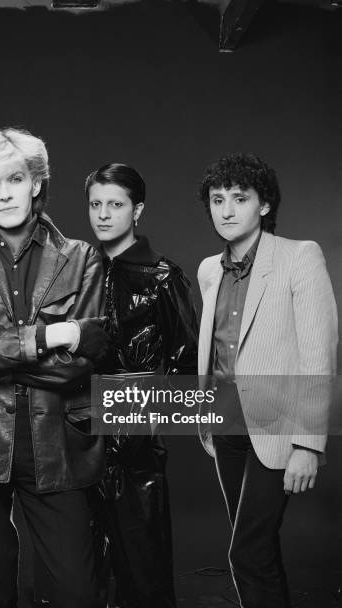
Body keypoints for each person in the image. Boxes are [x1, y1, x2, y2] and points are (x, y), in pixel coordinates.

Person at [0, 127, 109, 608]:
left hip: (60, 442)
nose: (5, 193)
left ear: (35, 183)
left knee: (77, 591)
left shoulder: (81, 258)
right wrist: (50, 336)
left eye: (14, 178)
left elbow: (81, 365)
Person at [196, 153, 337, 607]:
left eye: (240, 198)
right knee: (259, 546)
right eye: (218, 200)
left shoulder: (300, 256)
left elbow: (319, 355)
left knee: (247, 551)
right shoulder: (209, 270)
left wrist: (308, 443)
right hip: (226, 423)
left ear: (264, 205)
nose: (227, 210)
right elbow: (215, 347)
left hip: (279, 426)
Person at [86, 162, 198, 608]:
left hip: (135, 448)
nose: (104, 214)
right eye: (95, 204)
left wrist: (139, 420)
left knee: (142, 569)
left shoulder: (163, 276)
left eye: (115, 204)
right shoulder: (80, 271)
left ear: (137, 211)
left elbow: (186, 361)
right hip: (77, 437)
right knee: (83, 567)